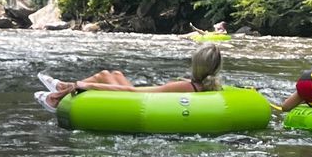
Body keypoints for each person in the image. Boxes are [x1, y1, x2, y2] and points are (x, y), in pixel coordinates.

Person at [37, 41, 224, 108]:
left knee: (102, 76)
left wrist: (86, 86)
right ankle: (63, 87)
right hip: (141, 98)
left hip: (136, 101)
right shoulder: (210, 85)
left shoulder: (186, 87)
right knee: (113, 73)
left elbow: (136, 93)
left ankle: (59, 96)